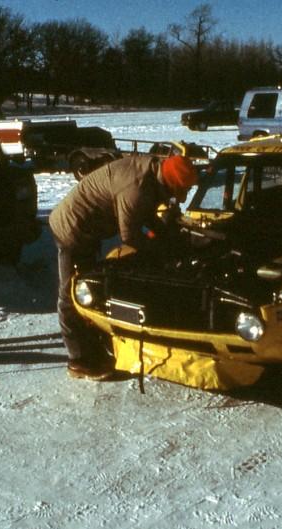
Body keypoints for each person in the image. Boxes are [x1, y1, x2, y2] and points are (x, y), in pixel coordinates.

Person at [48, 154, 199, 381]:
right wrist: (158, 249)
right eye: (179, 191)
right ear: (168, 182)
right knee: (73, 291)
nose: (181, 197)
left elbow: (145, 213)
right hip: (72, 229)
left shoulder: (153, 170)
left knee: (90, 287)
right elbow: (129, 234)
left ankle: (94, 349)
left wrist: (167, 236)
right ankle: (78, 360)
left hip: (91, 227)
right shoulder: (135, 187)